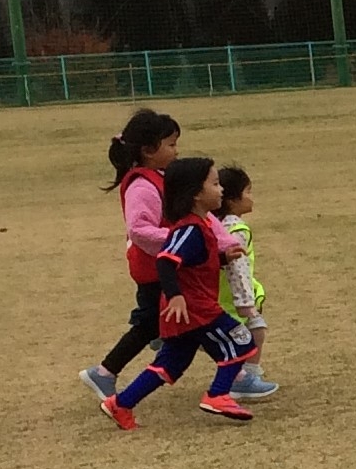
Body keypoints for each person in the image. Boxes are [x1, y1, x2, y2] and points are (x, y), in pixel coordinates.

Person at [101, 157, 260, 428]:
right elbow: (165, 261)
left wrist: (222, 258)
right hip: (194, 308)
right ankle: (218, 395)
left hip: (187, 312)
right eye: (215, 184)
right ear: (196, 194)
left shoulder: (201, 225)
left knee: (170, 365)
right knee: (242, 341)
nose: (221, 190)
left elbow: (193, 262)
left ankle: (121, 403)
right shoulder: (190, 229)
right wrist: (175, 296)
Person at [80, 109, 182, 400]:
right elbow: (139, 230)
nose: (176, 151)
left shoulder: (158, 177)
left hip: (164, 264)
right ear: (149, 151)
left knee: (159, 321)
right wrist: (178, 239)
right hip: (154, 267)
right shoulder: (142, 186)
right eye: (171, 144)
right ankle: (104, 372)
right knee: (151, 322)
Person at [216, 166, 279, 400]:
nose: (251, 197)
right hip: (230, 300)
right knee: (256, 330)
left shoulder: (215, 224)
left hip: (218, 297)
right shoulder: (237, 230)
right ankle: (246, 378)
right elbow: (238, 268)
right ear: (232, 200)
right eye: (248, 191)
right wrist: (246, 302)